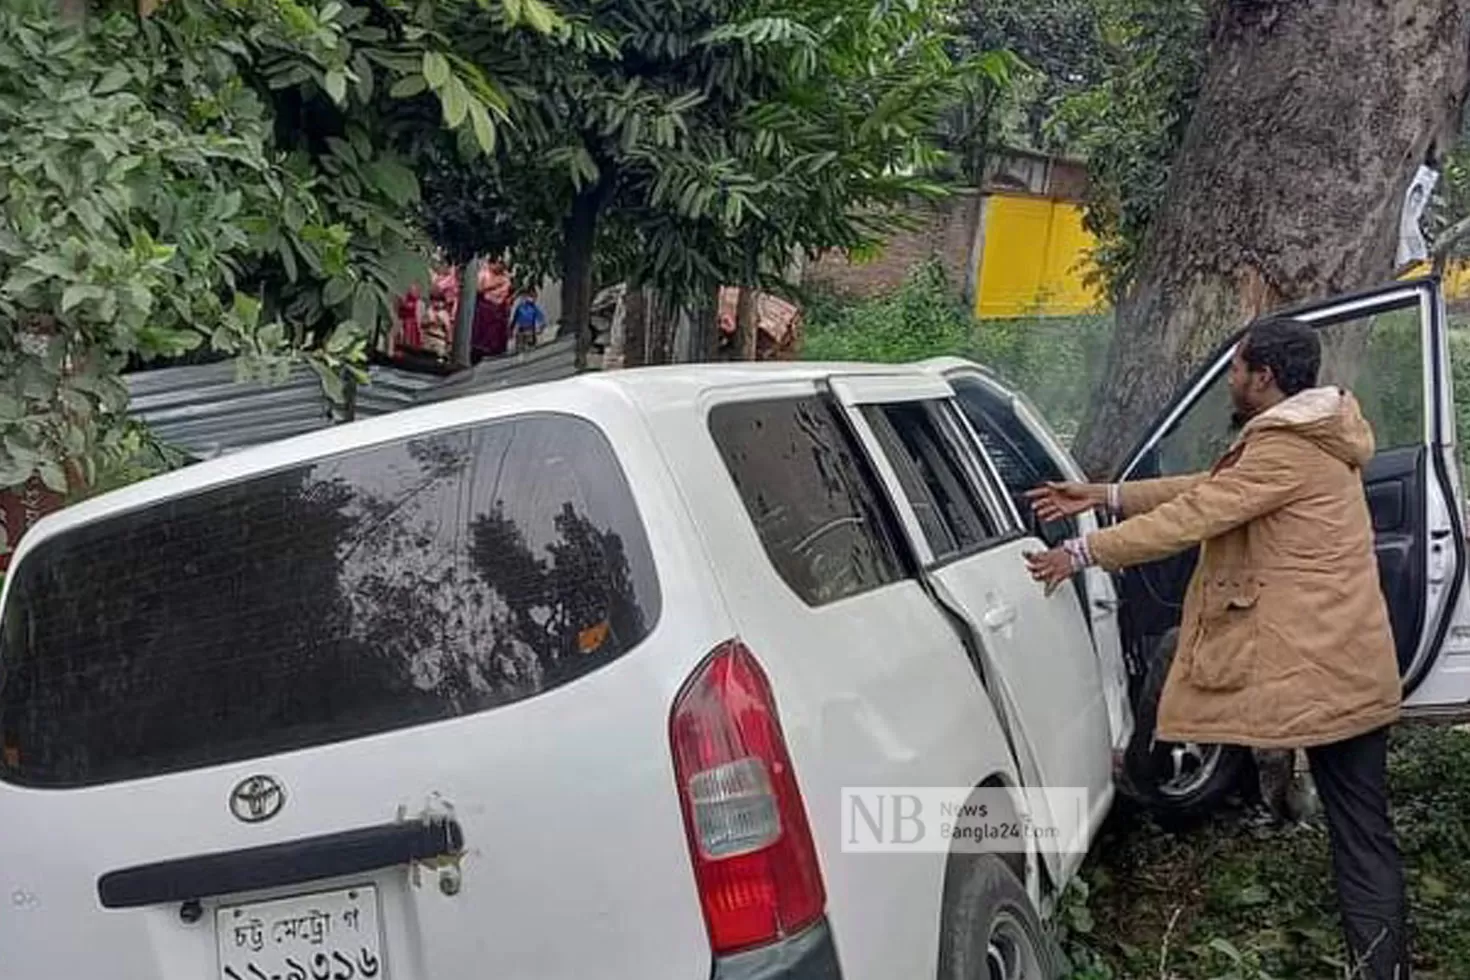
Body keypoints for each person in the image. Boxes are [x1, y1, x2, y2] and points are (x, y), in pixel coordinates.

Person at [1024, 317, 1409, 980]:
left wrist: (1082, 550)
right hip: (1346, 662)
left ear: (1265, 377)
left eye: (1236, 367)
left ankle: (1380, 968)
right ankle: (1381, 962)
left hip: (1326, 673)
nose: (1230, 378)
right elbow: (1210, 487)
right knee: (1363, 827)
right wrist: (1106, 495)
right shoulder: (1306, 434)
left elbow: (1195, 515)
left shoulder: (1286, 447)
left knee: (1360, 837)